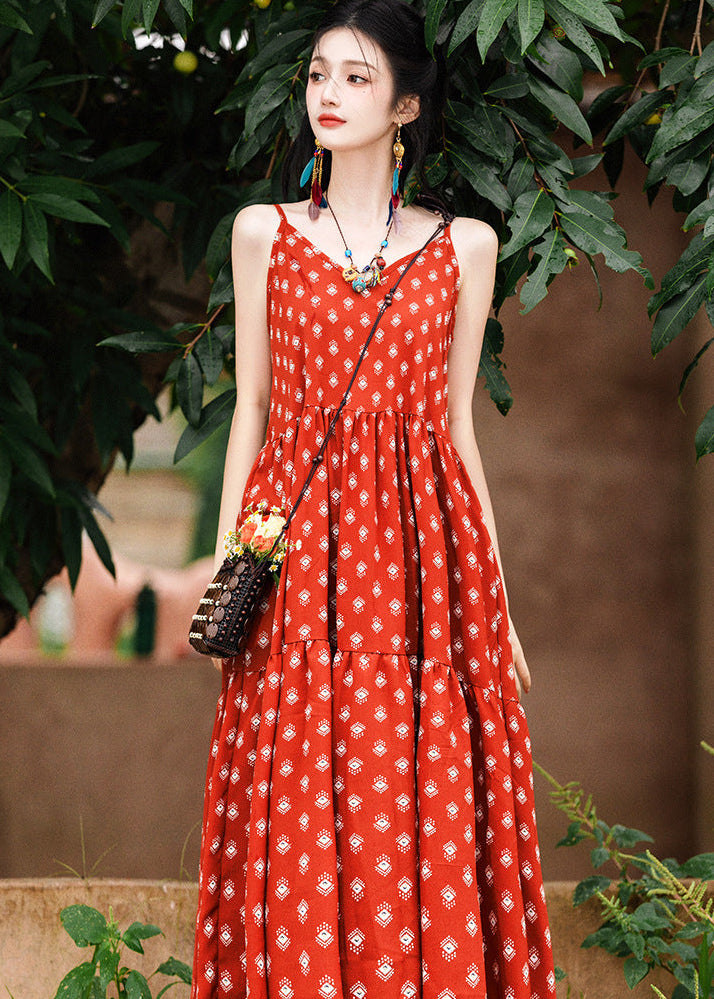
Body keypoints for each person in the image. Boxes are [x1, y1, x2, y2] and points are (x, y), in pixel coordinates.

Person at [191, 0, 556, 996]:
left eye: (356, 77)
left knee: (410, 787)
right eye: (317, 75)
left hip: (425, 559)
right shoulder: (262, 233)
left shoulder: (466, 249)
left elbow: (455, 428)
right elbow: (254, 408)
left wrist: (499, 597)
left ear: (405, 105)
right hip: (298, 554)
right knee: (302, 786)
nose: (329, 95)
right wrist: (233, 572)